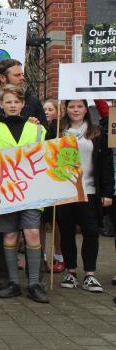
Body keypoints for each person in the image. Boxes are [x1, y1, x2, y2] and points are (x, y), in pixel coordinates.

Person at [0, 59, 47, 292]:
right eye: (8, 102)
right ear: (1, 105)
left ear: (24, 104)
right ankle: (13, 282)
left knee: (33, 233)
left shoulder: (38, 129)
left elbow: (48, 157)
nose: (13, 105)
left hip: (32, 192)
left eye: (17, 102)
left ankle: (34, 283)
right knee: (9, 237)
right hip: (3, 192)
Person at [57, 100, 113, 293]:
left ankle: (90, 274)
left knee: (91, 231)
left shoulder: (96, 132)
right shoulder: (57, 130)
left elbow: (106, 163)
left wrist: (107, 192)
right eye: (72, 106)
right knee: (66, 232)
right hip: (65, 191)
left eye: (79, 106)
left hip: (89, 190)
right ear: (66, 109)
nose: (76, 110)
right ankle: (70, 272)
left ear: (86, 109)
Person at [41, 98, 64, 273]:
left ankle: (58, 256)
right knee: (40, 222)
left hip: (57, 180)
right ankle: (41, 257)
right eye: (45, 109)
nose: (47, 112)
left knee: (57, 222)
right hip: (41, 179)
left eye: (50, 109)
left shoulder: (62, 129)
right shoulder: (40, 128)